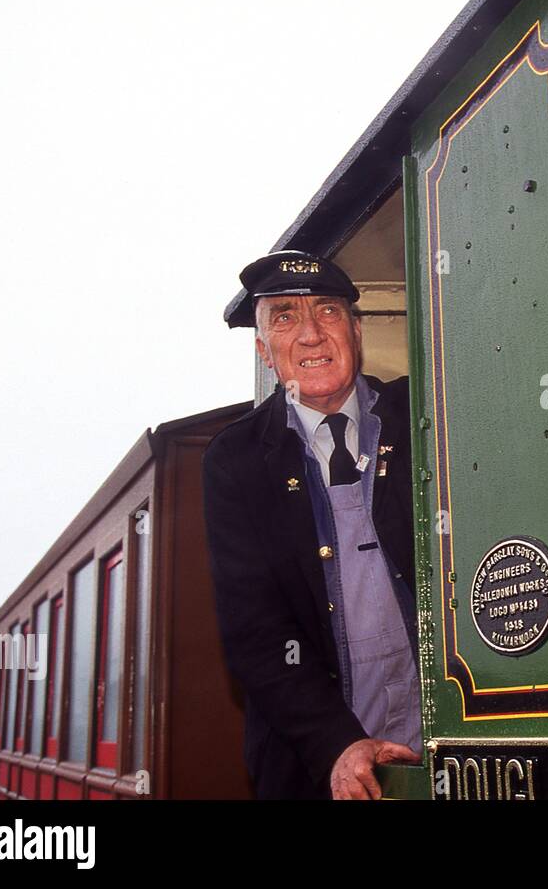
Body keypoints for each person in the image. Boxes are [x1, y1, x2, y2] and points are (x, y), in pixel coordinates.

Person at [203, 250, 420, 799]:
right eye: (283, 318)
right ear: (264, 351)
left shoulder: (425, 413)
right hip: (319, 765)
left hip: (447, 749)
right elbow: (256, 635)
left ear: (356, 328)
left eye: (327, 312)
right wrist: (337, 744)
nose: (310, 335)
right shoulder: (236, 460)